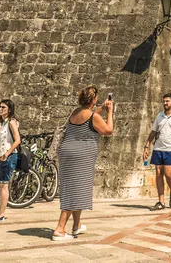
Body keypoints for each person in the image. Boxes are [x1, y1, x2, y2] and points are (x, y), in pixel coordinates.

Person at [52, 86, 114, 241]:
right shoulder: (93, 116)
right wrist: (110, 112)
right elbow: (108, 130)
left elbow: (91, 120)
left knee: (75, 188)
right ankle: (59, 229)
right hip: (81, 155)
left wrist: (101, 108)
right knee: (75, 191)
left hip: (67, 152)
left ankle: (76, 225)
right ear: (93, 99)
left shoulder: (75, 112)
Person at [143, 92, 171, 211]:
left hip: (170, 149)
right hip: (158, 147)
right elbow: (153, 132)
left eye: (167, 101)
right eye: (164, 101)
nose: (165, 103)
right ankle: (161, 201)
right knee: (158, 173)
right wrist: (146, 146)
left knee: (168, 174)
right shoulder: (160, 116)